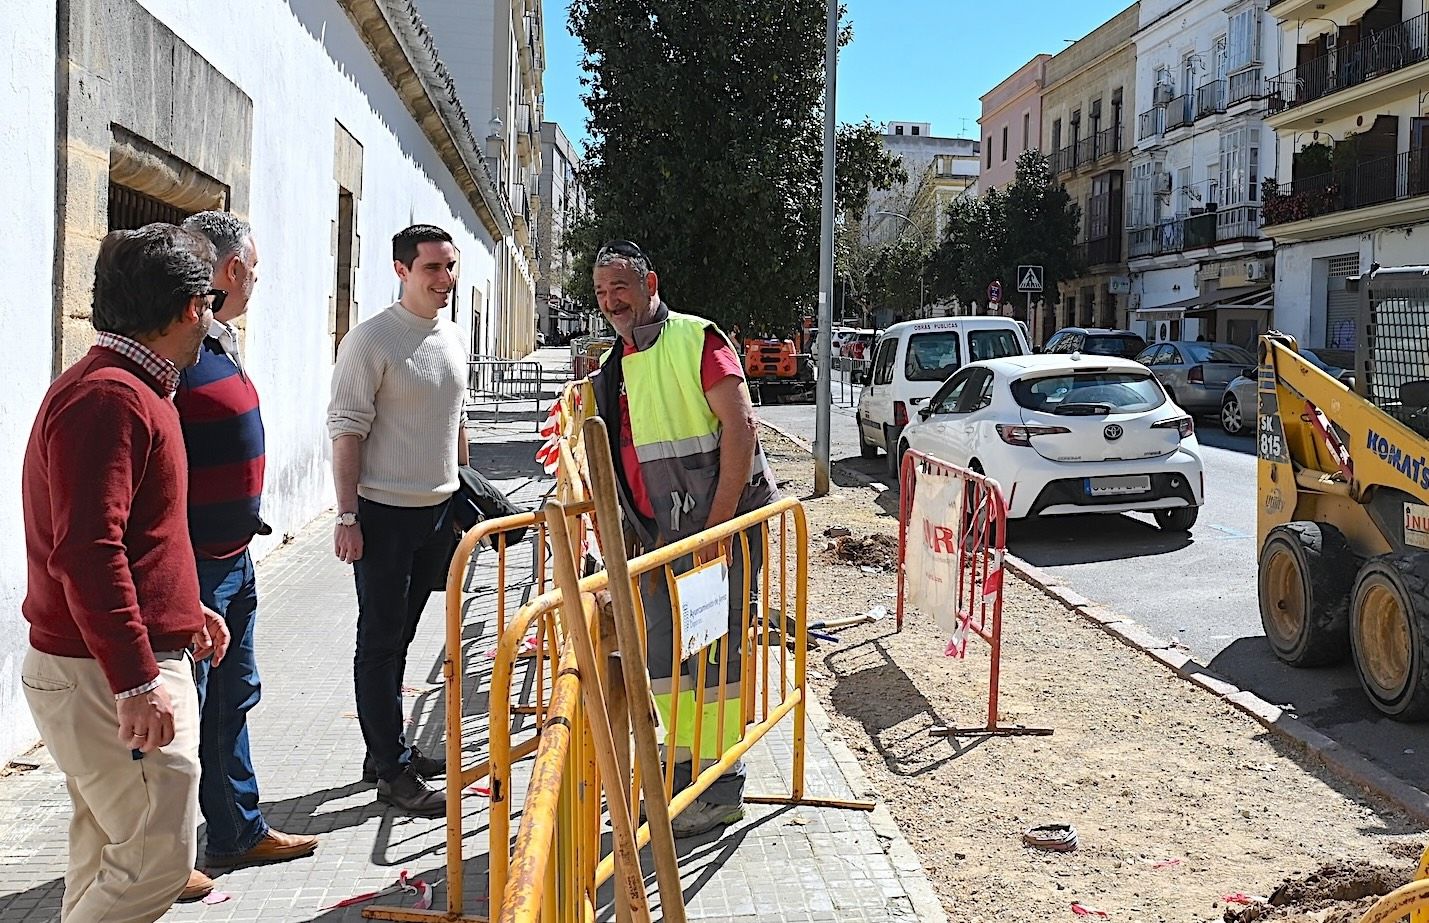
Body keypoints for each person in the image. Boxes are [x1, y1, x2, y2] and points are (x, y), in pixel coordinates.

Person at [20, 223, 232, 919]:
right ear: (188, 308)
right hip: (101, 672)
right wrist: (136, 679)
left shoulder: (128, 388)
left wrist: (182, 606)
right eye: (210, 299)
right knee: (154, 860)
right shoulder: (109, 397)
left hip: (105, 664)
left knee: (107, 848)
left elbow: (132, 536)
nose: (214, 314)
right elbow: (87, 549)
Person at [588, 239, 779, 838]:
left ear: (650, 281)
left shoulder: (699, 339)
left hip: (717, 533)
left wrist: (717, 531)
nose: (612, 301)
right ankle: (683, 770)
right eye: (600, 293)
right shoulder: (614, 366)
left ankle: (719, 788)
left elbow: (740, 429)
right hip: (659, 541)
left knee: (714, 662)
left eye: (621, 287)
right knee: (667, 660)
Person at [175, 212, 319, 885]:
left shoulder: (218, 340)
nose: (257, 278)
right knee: (182, 714)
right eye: (253, 268)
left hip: (234, 558)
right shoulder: (174, 350)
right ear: (231, 269)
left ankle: (236, 831)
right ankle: (164, 859)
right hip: (194, 568)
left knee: (233, 697)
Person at [327, 224, 469, 817]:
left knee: (404, 637)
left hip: (438, 513)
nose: (445, 279)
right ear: (401, 270)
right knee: (380, 644)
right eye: (432, 268)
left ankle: (383, 748)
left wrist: (465, 485)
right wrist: (347, 515)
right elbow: (346, 429)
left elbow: (456, 420)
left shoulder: (453, 336)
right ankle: (391, 770)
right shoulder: (371, 340)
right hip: (383, 517)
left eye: (450, 267)